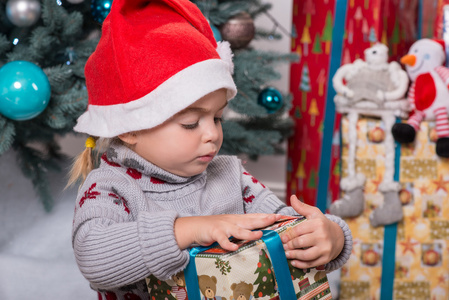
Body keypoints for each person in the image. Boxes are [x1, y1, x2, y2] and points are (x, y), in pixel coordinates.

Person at [68, 0, 352, 299]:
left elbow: (281, 224)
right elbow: (93, 258)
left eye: (217, 118)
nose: (212, 134)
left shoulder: (230, 175)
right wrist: (189, 230)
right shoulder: (110, 187)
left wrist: (330, 236)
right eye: (191, 123)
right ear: (130, 128)